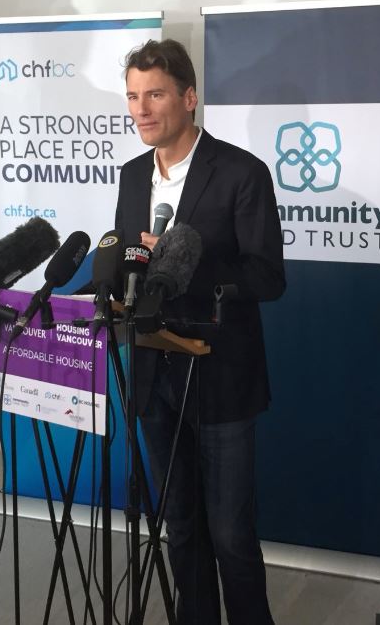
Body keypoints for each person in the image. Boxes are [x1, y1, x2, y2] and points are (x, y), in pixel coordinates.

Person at [114, 39, 284, 625]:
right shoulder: (132, 176)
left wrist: (185, 263)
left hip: (221, 377)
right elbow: (130, 267)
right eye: (133, 96)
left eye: (154, 94)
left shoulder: (241, 172)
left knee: (231, 534)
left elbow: (267, 278)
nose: (141, 108)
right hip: (153, 371)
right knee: (180, 524)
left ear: (188, 97)